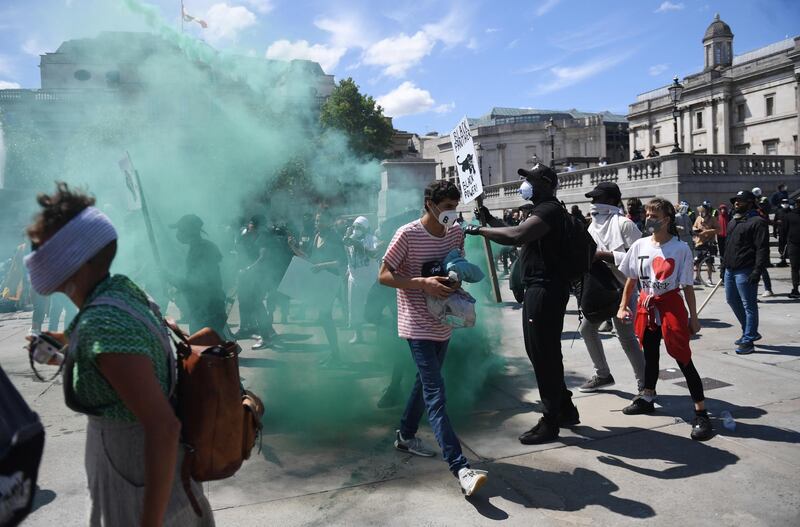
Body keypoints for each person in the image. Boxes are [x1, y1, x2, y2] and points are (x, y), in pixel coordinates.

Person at [24, 183, 213, 525]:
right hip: (131, 475)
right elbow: (111, 368)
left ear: (75, 260)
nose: (34, 256)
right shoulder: (118, 290)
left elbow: (163, 427)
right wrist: (60, 352)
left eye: (41, 247)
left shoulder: (104, 322)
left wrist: (148, 522)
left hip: (138, 482)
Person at [379, 180, 488, 497]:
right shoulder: (407, 234)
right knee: (435, 393)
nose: (452, 214)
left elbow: (459, 267)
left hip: (445, 321)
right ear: (429, 203)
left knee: (425, 381)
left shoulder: (455, 231)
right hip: (416, 323)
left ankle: (406, 434)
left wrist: (454, 282)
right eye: (447, 207)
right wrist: (423, 283)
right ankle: (461, 468)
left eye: (456, 207)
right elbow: (384, 275)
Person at [465, 164, 579, 445]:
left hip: (544, 289)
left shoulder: (549, 209)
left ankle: (550, 420)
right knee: (546, 352)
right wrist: (490, 219)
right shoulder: (544, 210)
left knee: (542, 354)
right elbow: (517, 233)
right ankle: (565, 408)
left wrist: (479, 230)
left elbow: (517, 236)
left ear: (546, 182)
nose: (524, 183)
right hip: (541, 289)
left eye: (529, 179)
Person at [616, 198, 713, 441]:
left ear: (667, 219)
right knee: (649, 353)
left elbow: (687, 286)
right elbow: (632, 279)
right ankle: (647, 396)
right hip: (646, 307)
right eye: (647, 214)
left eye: (653, 215)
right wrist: (622, 306)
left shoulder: (680, 249)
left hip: (670, 306)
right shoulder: (639, 245)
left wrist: (693, 317)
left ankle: (701, 412)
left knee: (682, 357)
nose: (648, 218)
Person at [577, 182, 645, 395]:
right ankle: (603, 374)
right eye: (593, 199)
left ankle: (645, 385)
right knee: (587, 329)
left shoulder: (624, 224)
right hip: (600, 288)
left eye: (599, 199)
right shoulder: (591, 225)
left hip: (624, 289)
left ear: (614, 202)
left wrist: (605, 256)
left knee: (626, 337)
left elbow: (641, 259)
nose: (594, 203)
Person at [165, 214, 230, 338]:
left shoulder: (203, 250)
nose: (178, 233)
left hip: (207, 307)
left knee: (206, 347)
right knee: (209, 345)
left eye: (180, 230)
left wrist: (169, 277)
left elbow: (195, 283)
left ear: (189, 231)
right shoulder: (197, 248)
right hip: (203, 306)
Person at [721, 190, 769, 355]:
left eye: (740, 201)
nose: (736, 203)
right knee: (732, 300)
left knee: (749, 305)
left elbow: (762, 249)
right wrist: (723, 266)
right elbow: (728, 246)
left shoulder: (758, 222)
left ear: (750, 202)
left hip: (746, 269)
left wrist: (757, 271)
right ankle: (749, 331)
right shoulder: (733, 222)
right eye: (735, 201)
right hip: (730, 269)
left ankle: (748, 339)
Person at [308, 209, 346, 366]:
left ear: (329, 222)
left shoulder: (334, 237)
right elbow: (310, 259)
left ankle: (336, 356)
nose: (317, 223)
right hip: (320, 282)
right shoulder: (317, 236)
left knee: (326, 317)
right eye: (316, 220)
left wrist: (321, 266)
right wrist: (292, 247)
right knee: (324, 318)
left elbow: (341, 261)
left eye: (321, 220)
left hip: (331, 281)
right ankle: (334, 353)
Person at [236, 215, 274, 349]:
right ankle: (249, 329)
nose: (248, 226)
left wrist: (248, 269)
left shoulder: (262, 238)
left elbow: (262, 258)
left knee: (258, 305)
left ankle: (266, 337)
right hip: (249, 276)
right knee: (247, 302)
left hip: (259, 277)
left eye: (251, 224)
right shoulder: (248, 236)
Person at [343, 216, 379, 344]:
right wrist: (348, 271)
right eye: (354, 227)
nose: (356, 229)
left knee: (373, 308)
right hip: (354, 279)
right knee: (354, 308)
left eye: (359, 227)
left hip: (370, 280)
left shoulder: (372, 239)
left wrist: (359, 246)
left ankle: (378, 337)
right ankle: (358, 335)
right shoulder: (349, 239)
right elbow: (349, 256)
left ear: (366, 228)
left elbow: (375, 253)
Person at [692, 204, 720, 287]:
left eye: (703, 211)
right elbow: (694, 226)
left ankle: (709, 279)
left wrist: (707, 231)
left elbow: (718, 230)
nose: (701, 213)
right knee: (697, 262)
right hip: (699, 243)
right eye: (700, 211)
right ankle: (697, 278)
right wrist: (695, 229)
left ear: (707, 211)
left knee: (709, 262)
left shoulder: (713, 219)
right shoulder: (698, 218)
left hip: (709, 244)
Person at [783, 196, 800, 299]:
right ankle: (795, 289)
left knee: (795, 268)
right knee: (795, 268)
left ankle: (795, 289)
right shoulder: (789, 215)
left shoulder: (789, 215)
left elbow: (784, 231)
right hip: (793, 245)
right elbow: (784, 231)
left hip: (793, 244)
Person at [774, 199, 791, 267]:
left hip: (789, 232)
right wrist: (774, 231)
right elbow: (775, 222)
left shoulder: (791, 211)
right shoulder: (778, 211)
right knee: (781, 246)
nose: (785, 204)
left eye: (786, 202)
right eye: (784, 202)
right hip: (781, 232)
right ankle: (783, 259)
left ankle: (787, 258)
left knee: (789, 247)